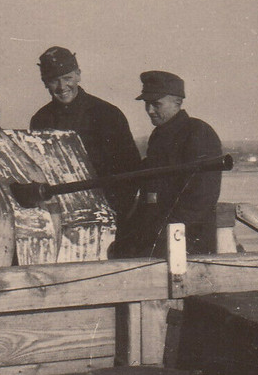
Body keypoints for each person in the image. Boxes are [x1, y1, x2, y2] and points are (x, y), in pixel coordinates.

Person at [112, 71, 223, 258]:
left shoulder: (198, 133)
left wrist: (159, 235)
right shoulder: (160, 136)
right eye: (147, 104)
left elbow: (200, 199)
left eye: (156, 104)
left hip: (187, 244)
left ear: (177, 103)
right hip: (159, 239)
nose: (149, 110)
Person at [29, 46, 141, 213]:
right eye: (54, 80)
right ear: (45, 82)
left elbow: (129, 172)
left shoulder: (107, 114)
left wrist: (116, 214)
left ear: (78, 75)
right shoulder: (40, 120)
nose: (62, 86)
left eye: (67, 78)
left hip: (104, 209)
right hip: (59, 210)